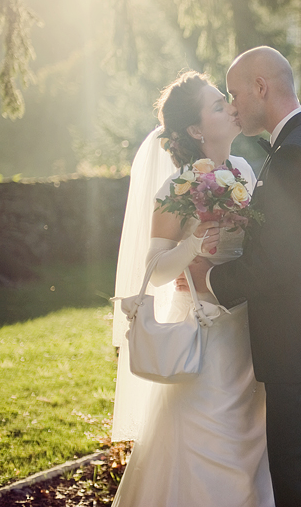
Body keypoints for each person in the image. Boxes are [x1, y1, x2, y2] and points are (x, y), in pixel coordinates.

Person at [195, 47, 301, 507]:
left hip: (299, 347)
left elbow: (278, 261)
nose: (231, 106)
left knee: (298, 482)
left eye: (234, 93)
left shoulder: (296, 154)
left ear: (261, 87)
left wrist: (210, 279)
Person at [111, 71, 274, 506]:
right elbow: (156, 270)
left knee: (254, 446)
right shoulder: (177, 188)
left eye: (226, 101)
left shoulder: (242, 169)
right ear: (197, 130)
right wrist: (193, 246)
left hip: (248, 331)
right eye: (218, 105)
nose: (230, 107)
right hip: (206, 336)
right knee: (213, 447)